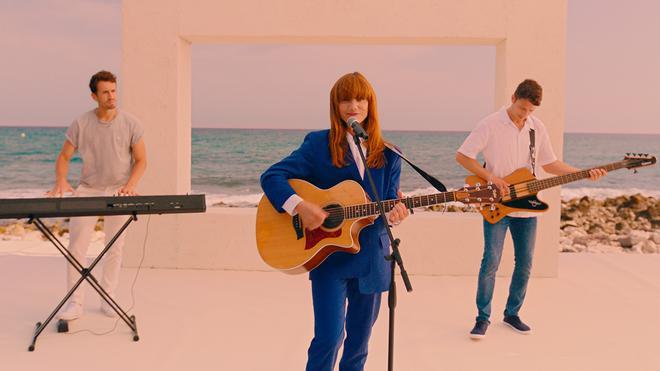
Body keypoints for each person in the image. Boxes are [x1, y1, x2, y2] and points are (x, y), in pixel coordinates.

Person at [260, 72, 409, 371]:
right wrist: (300, 206)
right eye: (345, 99)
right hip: (328, 259)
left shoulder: (390, 154)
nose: (353, 106)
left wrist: (397, 211)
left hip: (372, 258)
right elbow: (272, 176)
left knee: (358, 344)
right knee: (328, 339)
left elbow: (390, 201)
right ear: (335, 105)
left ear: (370, 104)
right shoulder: (318, 144)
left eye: (360, 98)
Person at [456, 79, 606, 339]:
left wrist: (582, 173)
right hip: (497, 204)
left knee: (524, 264)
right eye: (522, 108)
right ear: (513, 97)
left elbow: (550, 164)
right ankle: (482, 318)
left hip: (526, 207)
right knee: (490, 261)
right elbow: (463, 156)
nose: (525, 115)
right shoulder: (490, 124)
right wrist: (491, 177)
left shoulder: (536, 128)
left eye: (531, 111)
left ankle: (512, 313)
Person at [48, 70, 147, 320]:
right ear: (94, 96)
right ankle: (75, 303)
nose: (111, 96)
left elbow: (141, 160)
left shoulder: (131, 123)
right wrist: (61, 179)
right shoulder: (81, 123)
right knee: (76, 248)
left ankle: (108, 298)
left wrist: (131, 184)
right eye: (105, 92)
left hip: (119, 191)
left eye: (113, 90)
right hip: (88, 189)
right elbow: (64, 156)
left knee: (115, 248)